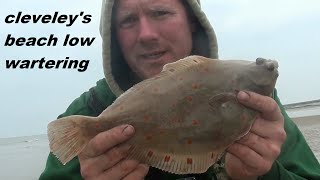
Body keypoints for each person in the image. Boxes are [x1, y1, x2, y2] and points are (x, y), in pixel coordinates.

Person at [39, 0, 320, 179]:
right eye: (128, 21)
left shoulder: (262, 108)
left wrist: (266, 175)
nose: (146, 34)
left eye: (160, 12)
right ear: (113, 38)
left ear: (192, 22)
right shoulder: (86, 115)